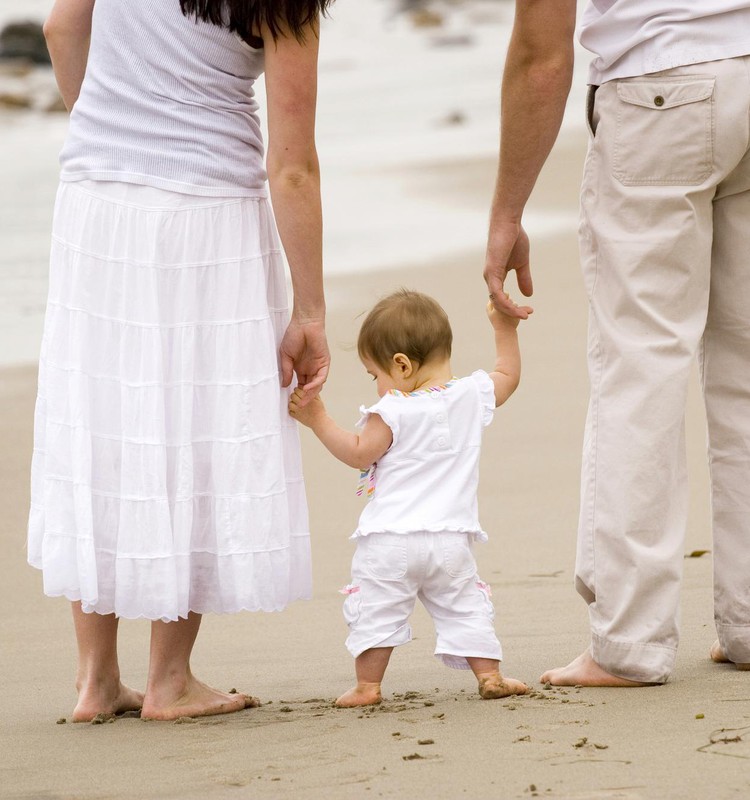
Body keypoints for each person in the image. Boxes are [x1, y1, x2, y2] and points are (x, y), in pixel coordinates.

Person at [29, 0, 331, 721]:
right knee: (192, 425)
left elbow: (60, 28)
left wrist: (109, 123)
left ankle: (96, 680)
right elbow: (292, 166)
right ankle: (169, 679)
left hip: (96, 199)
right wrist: (310, 309)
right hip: (205, 211)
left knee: (102, 424)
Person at [486, 0, 750, 686]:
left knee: (642, 369)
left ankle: (630, 642)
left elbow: (542, 52)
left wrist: (508, 210)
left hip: (660, 90)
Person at [289, 289, 529, 706]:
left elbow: (360, 452)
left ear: (401, 365)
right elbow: (507, 375)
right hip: (450, 541)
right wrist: (504, 329)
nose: (378, 385)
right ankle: (490, 675)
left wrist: (317, 419)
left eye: (374, 374)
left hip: (390, 541)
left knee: (378, 610)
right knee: (464, 607)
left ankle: (368, 687)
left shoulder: (394, 410)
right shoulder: (470, 395)